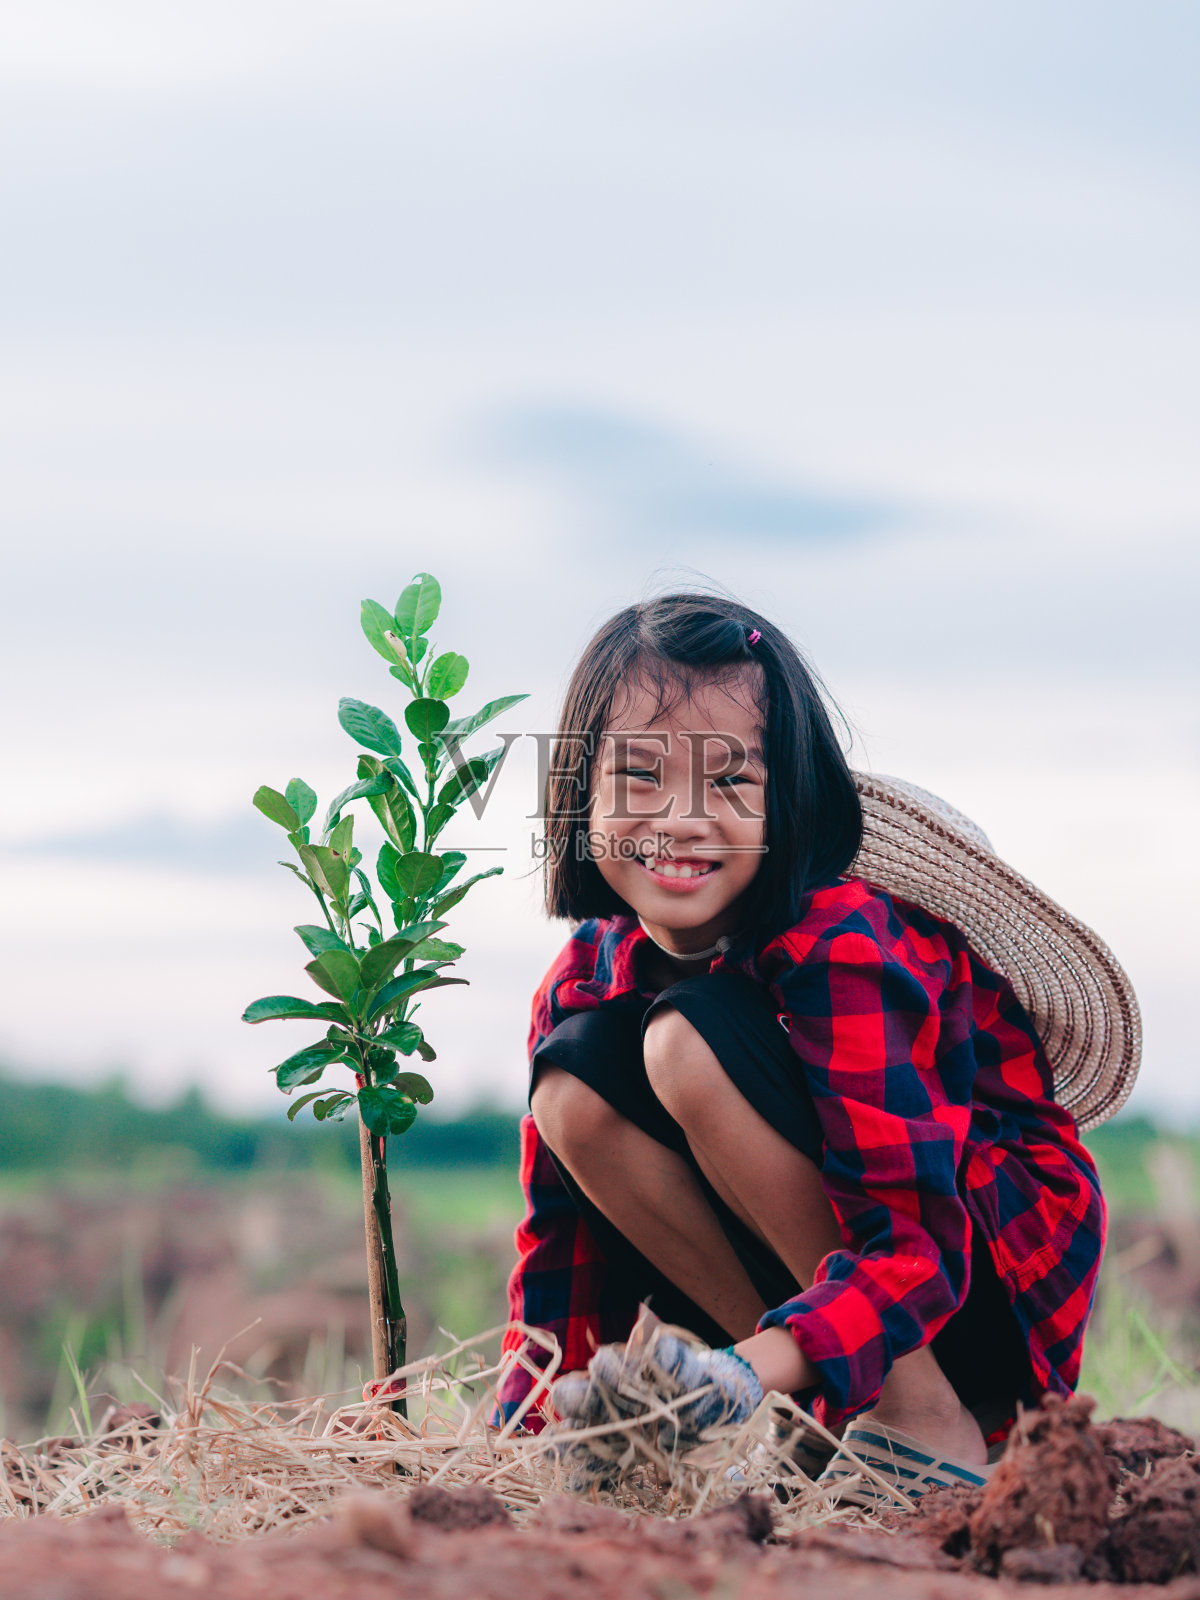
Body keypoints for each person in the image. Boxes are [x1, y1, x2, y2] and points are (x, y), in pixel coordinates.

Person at [494, 592, 1138, 1501]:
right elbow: (560, 1245)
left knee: (685, 1040)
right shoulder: (587, 970)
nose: (679, 820)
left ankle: (919, 1420)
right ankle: (818, 1417)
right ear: (578, 796)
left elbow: (914, 1238)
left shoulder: (841, 943)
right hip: (811, 1299)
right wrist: (516, 1440)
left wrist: (743, 1369)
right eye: (637, 776)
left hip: (965, 1276)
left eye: (730, 783)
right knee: (572, 1084)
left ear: (785, 803)